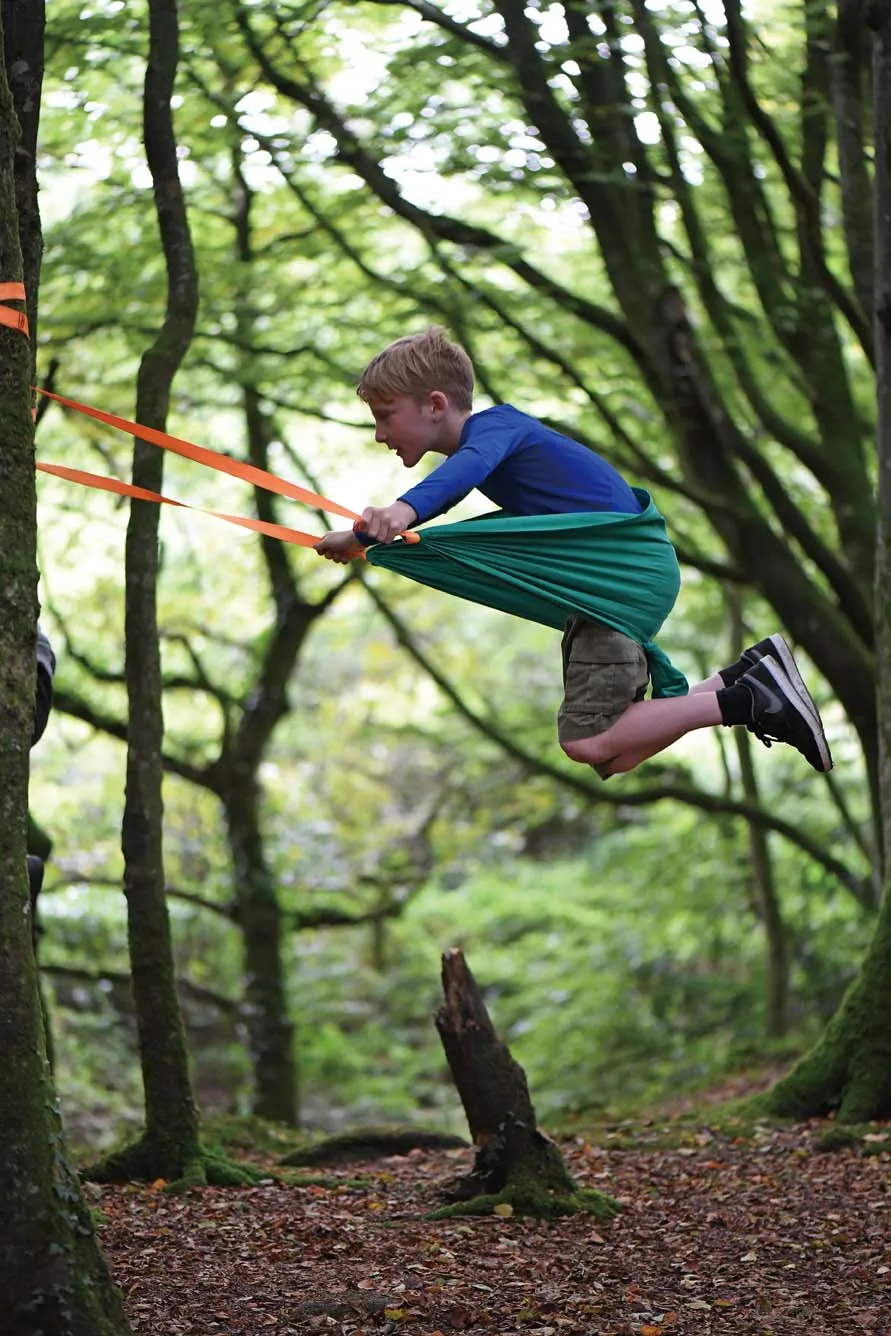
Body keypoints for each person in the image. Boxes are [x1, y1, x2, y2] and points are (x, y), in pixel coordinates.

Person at [317, 327, 832, 778]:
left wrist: (403, 511)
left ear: (435, 404)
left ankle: (751, 701)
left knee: (585, 740)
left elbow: (462, 473)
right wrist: (361, 540)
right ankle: (744, 676)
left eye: (386, 417)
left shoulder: (496, 430)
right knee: (617, 754)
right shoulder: (495, 446)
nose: (381, 434)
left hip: (618, 576)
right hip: (618, 580)